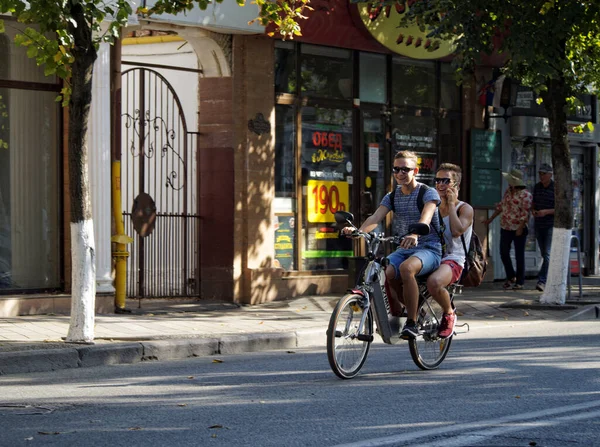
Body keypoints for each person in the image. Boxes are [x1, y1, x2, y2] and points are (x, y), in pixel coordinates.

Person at [342, 150, 442, 339]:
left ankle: (411, 323)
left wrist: (414, 233)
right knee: (383, 272)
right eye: (396, 169)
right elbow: (376, 216)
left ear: (416, 171)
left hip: (429, 248)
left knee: (406, 268)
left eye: (405, 169)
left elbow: (426, 217)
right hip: (404, 248)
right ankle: (402, 312)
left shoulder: (428, 193)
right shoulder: (392, 196)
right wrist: (359, 231)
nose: (400, 173)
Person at [426, 163, 473, 339]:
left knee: (434, 282)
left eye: (446, 181)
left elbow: (456, 231)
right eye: (437, 180)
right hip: (433, 254)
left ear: (456, 185)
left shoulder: (464, 208)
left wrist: (451, 205)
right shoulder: (432, 206)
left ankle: (449, 313)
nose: (440, 184)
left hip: (454, 259)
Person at [483, 168, 532, 290]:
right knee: (503, 252)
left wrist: (520, 228)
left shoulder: (526, 195)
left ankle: (520, 281)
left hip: (518, 228)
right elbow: (501, 207)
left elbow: (525, 214)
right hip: (506, 226)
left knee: (519, 255)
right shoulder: (508, 192)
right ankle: (511, 276)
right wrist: (491, 219)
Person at [532, 163, 555, 292]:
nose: (541, 176)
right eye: (539, 173)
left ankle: (542, 280)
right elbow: (534, 203)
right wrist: (534, 211)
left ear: (550, 175)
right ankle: (548, 278)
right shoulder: (537, 187)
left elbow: (562, 209)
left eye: (544, 174)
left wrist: (546, 212)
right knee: (544, 253)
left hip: (550, 225)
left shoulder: (555, 188)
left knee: (547, 254)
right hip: (539, 224)